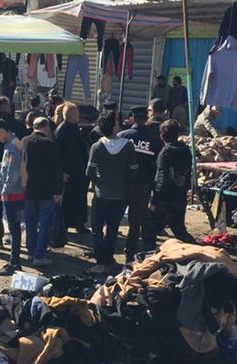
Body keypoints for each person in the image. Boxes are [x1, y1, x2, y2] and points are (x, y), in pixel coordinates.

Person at [86, 110, 138, 271]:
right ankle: (109, 258)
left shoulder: (97, 146)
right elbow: (134, 171)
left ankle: (100, 261)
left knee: (97, 229)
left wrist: (98, 182)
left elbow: (89, 172)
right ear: (115, 126)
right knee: (113, 228)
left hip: (101, 194)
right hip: (120, 194)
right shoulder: (128, 146)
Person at [118, 102, 163, 260]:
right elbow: (157, 163)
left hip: (123, 184)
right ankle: (130, 252)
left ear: (132, 118)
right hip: (143, 187)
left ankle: (109, 246)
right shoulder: (154, 140)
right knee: (136, 222)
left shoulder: (123, 136)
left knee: (115, 217)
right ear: (146, 118)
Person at [143, 119, 196, 248]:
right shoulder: (186, 151)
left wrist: (155, 201)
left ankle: (148, 254)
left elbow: (161, 178)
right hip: (180, 196)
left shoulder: (165, 153)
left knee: (148, 229)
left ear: (161, 136)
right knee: (179, 230)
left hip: (165, 199)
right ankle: (195, 250)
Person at [21, 117, 64, 267]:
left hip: (29, 190)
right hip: (46, 190)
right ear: (46, 128)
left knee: (30, 223)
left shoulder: (25, 142)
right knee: (44, 223)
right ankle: (39, 254)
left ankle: (31, 251)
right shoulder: (50, 144)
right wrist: (58, 191)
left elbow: (22, 165)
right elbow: (57, 170)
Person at [0, 118, 26, 276]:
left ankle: (14, 261)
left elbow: (12, 174)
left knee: (13, 228)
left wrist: (4, 191)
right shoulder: (15, 144)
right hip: (17, 190)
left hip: (13, 193)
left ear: (2, 131)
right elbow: (10, 168)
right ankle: (14, 259)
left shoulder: (12, 147)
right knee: (15, 228)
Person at [56, 102, 90, 233]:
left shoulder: (74, 128)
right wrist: (62, 172)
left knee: (80, 199)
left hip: (79, 172)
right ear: (71, 115)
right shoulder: (62, 131)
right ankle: (65, 224)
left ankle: (79, 223)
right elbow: (58, 154)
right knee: (68, 200)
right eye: (76, 113)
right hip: (69, 173)